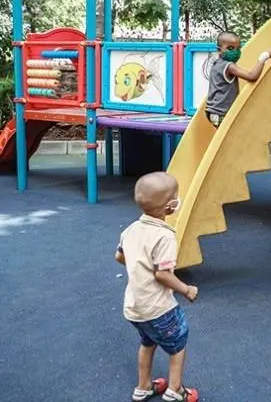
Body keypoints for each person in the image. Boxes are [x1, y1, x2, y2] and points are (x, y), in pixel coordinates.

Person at [116, 172, 199, 402]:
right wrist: (186, 289)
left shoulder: (130, 230)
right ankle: (175, 390)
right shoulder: (165, 236)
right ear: (170, 206)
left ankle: (143, 387)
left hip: (134, 307)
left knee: (148, 342)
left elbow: (119, 257)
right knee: (177, 344)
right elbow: (162, 273)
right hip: (158, 308)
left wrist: (138, 263)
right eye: (176, 196)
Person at [205, 32, 271, 128]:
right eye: (230, 48)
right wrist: (264, 57)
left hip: (213, 111)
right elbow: (252, 76)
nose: (235, 52)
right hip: (221, 113)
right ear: (219, 50)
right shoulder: (229, 66)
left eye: (238, 48)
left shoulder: (216, 64)